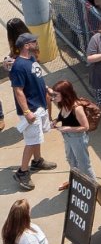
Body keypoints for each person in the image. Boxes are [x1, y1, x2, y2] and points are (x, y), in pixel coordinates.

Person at [11, 33, 53, 187]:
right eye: (33, 41)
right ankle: (22, 172)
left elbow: (37, 78)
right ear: (26, 45)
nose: (37, 42)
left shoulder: (32, 58)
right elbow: (18, 90)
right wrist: (27, 112)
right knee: (31, 141)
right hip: (31, 110)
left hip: (40, 106)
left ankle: (37, 161)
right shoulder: (18, 67)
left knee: (38, 137)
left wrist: (47, 89)